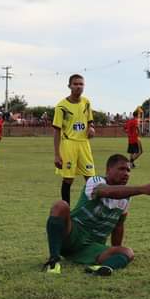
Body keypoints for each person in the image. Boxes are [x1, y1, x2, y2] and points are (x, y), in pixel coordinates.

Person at [43, 154, 150, 275]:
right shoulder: (96, 180)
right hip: (71, 236)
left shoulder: (125, 198)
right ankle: (53, 260)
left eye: (128, 170)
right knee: (60, 206)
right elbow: (106, 191)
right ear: (108, 170)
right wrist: (142, 189)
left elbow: (119, 226)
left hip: (91, 247)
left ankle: (103, 268)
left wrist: (115, 250)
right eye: (121, 169)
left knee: (127, 252)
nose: (126, 173)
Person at [53, 74, 96, 204]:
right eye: (75, 84)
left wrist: (91, 128)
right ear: (69, 86)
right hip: (68, 144)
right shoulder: (61, 106)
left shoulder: (86, 102)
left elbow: (90, 121)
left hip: (84, 144)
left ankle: (90, 209)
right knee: (68, 179)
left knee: (91, 179)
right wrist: (56, 155)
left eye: (81, 84)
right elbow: (56, 131)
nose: (78, 86)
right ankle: (66, 209)